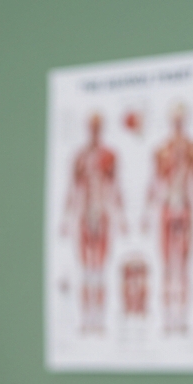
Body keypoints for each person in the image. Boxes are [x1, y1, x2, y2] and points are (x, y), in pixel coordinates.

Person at [143, 103, 193, 333]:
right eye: (175, 119)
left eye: (181, 118)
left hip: (185, 209)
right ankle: (167, 318)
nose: (178, 123)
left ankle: (181, 318)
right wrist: (146, 212)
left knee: (182, 266)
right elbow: (154, 183)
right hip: (167, 209)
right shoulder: (162, 150)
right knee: (166, 265)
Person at [61, 112, 127, 333]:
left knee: (99, 270)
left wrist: (122, 217)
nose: (95, 131)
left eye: (98, 127)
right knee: (86, 271)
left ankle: (98, 320)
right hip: (84, 216)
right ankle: (86, 319)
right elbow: (72, 189)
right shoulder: (80, 157)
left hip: (102, 216)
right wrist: (66, 218)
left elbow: (115, 188)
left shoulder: (109, 156)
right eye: (92, 126)